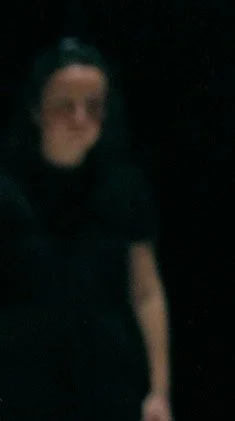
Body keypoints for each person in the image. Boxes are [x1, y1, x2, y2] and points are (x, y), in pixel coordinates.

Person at [0, 38, 174, 421]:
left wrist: (159, 393)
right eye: (65, 105)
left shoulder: (125, 187)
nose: (80, 118)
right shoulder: (5, 190)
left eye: (93, 107)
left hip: (108, 385)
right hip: (20, 387)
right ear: (35, 108)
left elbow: (145, 292)